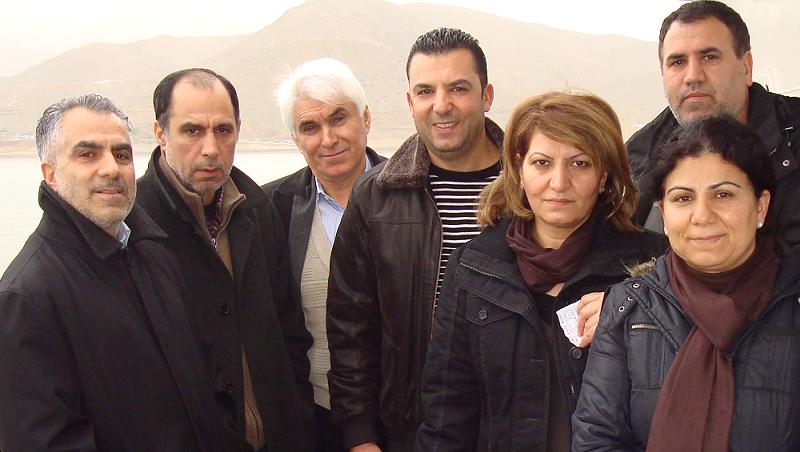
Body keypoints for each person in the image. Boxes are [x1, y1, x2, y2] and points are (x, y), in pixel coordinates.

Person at [415, 92, 666, 452]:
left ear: (604, 175)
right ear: (519, 168)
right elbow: (447, 410)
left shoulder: (653, 266)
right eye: (542, 163)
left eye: (579, 163)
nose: (559, 182)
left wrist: (633, 312)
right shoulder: (473, 266)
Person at [0, 94, 244, 451]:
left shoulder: (155, 255)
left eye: (121, 154)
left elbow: (211, 381)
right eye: (88, 154)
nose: (111, 169)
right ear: (50, 174)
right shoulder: (27, 297)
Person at [573, 116, 800, 451]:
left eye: (723, 194)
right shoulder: (628, 308)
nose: (702, 215)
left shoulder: (792, 301)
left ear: (760, 206)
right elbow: (597, 438)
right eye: (683, 198)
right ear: (663, 214)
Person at [326, 28, 505, 452]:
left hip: (512, 426)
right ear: (410, 102)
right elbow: (351, 328)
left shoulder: (530, 187)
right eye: (425, 91)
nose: (441, 105)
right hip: (413, 428)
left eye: (458, 88)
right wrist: (360, 436)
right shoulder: (376, 197)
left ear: (486, 96)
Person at [136, 68, 314, 451]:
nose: (211, 148)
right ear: (160, 133)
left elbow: (290, 332)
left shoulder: (257, 209)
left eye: (223, 130)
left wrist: (297, 419)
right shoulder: (135, 228)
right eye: (192, 131)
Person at [263, 58, 386, 452]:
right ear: (296, 139)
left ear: (366, 119)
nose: (328, 139)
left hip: (404, 419)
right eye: (310, 127)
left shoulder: (413, 196)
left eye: (339, 118)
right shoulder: (270, 208)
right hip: (313, 421)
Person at [628, 0, 800, 252]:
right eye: (678, 62)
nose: (693, 76)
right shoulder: (636, 159)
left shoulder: (792, 138)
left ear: (746, 67)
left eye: (709, 57)